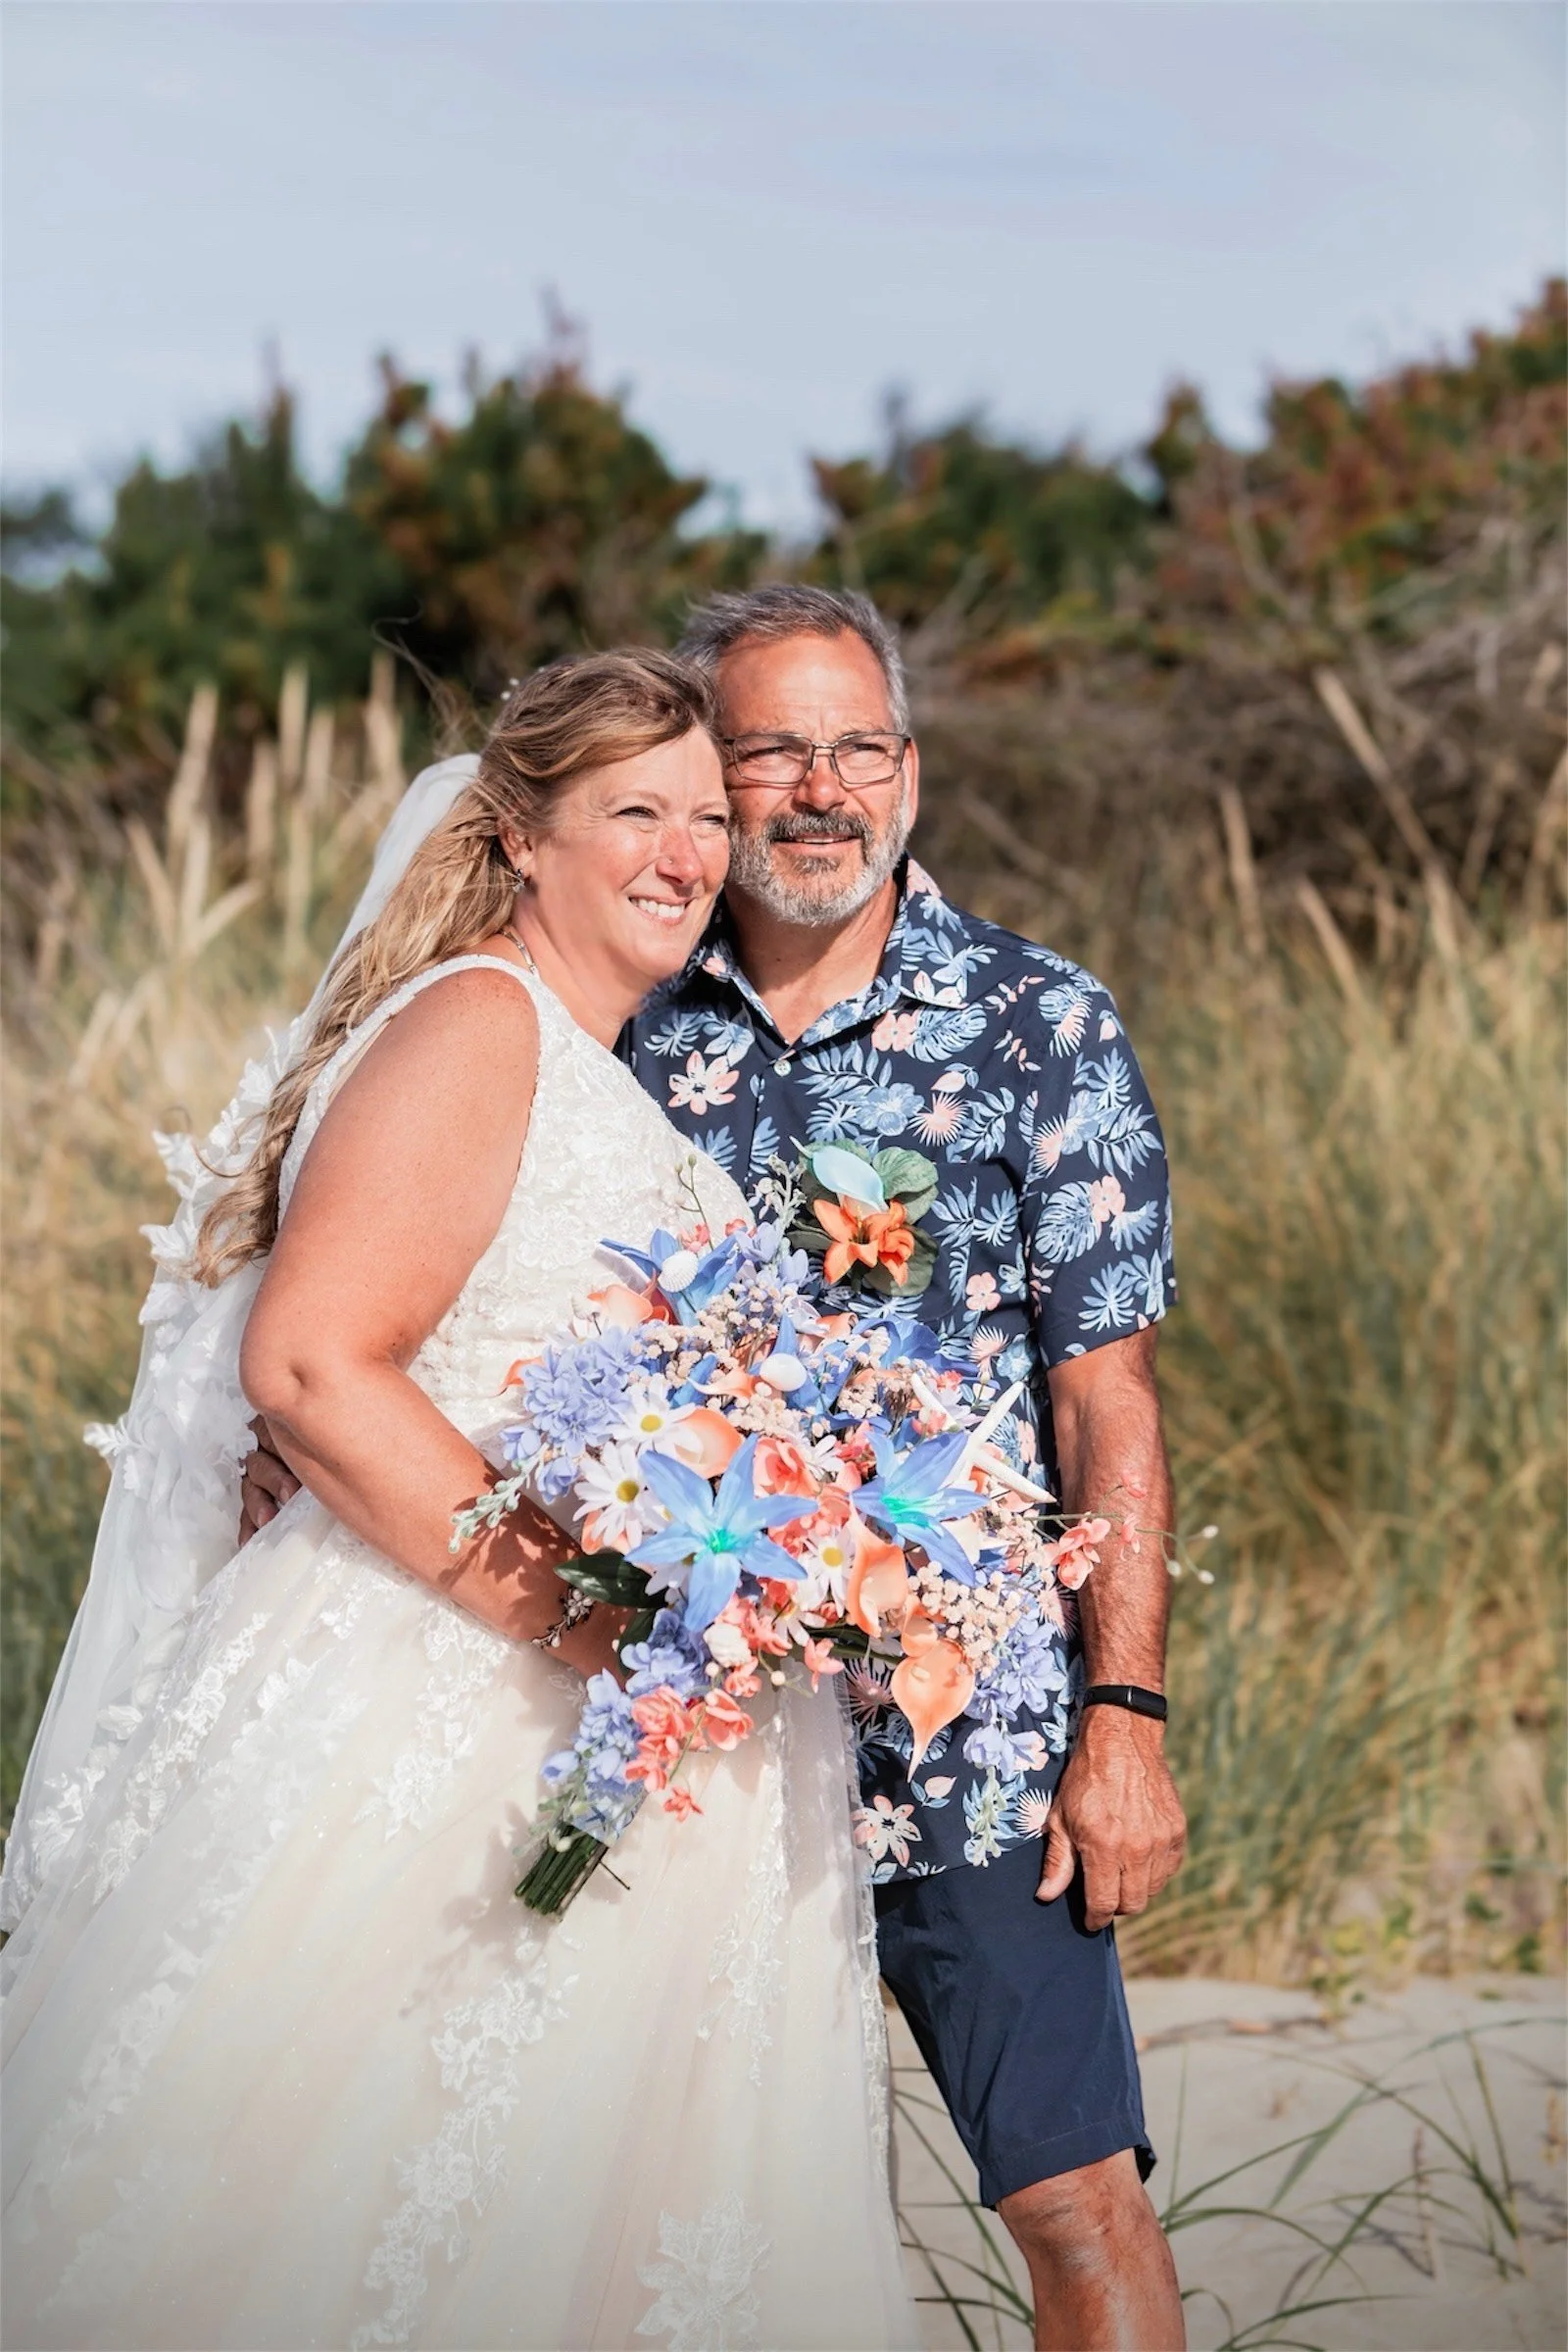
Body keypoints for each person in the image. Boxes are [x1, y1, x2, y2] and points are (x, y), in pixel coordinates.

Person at [245, 590, 1190, 2350]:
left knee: (1071, 2191)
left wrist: (1122, 1713)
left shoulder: (1040, 1029)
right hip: (680, 1734)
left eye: (860, 748)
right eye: (768, 753)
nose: (817, 789)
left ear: (910, 773)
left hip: (960, 1715)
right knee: (630, 2190)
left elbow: (1105, 1399)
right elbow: (429, 1261)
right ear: (712, 777)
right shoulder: (624, 1011)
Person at [1, 652, 917, 2352]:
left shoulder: (591, 1062)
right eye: (633, 812)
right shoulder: (482, 1022)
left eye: (708, 818)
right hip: (444, 1697)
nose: (684, 853)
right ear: (517, 838)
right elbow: (317, 1370)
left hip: (613, 1716)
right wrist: (590, 1622)